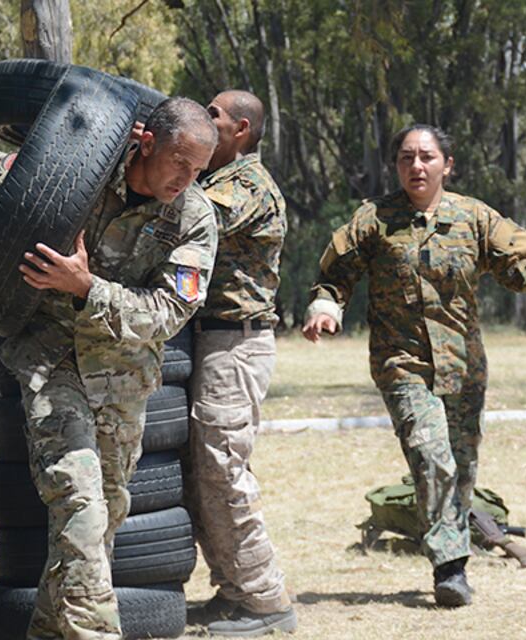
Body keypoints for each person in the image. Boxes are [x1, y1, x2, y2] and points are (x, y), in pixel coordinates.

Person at [0, 97, 218, 639]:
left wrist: (86, 287)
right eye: (179, 162)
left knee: (100, 524)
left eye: (198, 169)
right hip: (50, 363)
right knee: (79, 502)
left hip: (122, 382)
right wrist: (30, 165)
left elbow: (168, 313)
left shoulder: (195, 216)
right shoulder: (85, 164)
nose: (186, 179)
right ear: (145, 141)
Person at [301, 124, 526, 607]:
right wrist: (325, 308)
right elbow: (334, 276)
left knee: (462, 467)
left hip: (464, 364)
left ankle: (455, 545)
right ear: (396, 166)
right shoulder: (373, 219)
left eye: (427, 157)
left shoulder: (474, 216)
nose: (416, 166)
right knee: (431, 457)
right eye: (406, 157)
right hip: (401, 362)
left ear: (446, 165)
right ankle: (450, 568)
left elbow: (520, 267)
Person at [185, 90, 296, 636]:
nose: (206, 122)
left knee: (224, 470)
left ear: (242, 130)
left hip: (236, 344)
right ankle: (233, 590)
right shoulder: (211, 180)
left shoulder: (247, 188)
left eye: (213, 116)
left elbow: (184, 219)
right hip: (209, 342)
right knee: (201, 475)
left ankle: (267, 601)